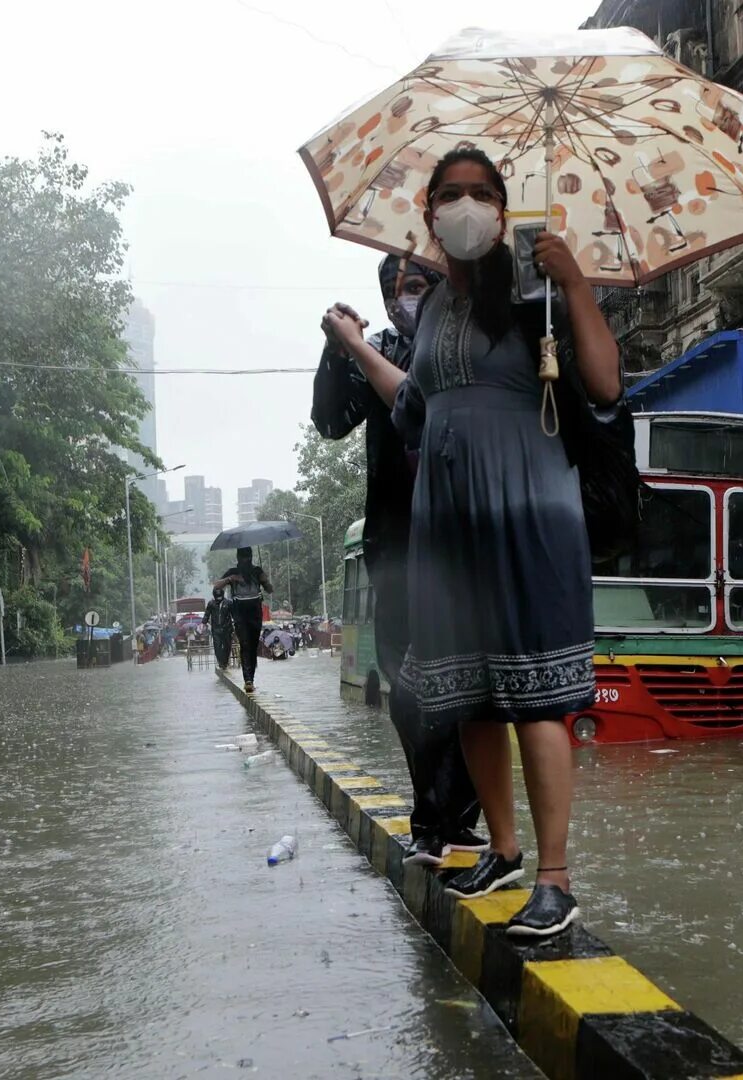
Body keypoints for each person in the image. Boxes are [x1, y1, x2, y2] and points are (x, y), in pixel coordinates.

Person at [321, 147, 622, 939]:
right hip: (447, 518)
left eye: (480, 194)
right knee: (471, 696)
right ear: (429, 216)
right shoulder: (431, 314)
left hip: (528, 507)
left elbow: (604, 384)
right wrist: (359, 348)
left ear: (502, 209)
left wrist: (577, 285)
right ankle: (505, 846)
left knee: (537, 695)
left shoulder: (532, 294)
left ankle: (555, 878)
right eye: (450, 195)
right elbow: (414, 406)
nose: (466, 207)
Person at [314, 252, 485, 868]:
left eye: (415, 286)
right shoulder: (376, 348)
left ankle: (460, 821)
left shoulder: (468, 343)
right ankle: (431, 818)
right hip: (396, 548)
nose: (402, 300)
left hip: (458, 546)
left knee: (464, 689)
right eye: (393, 291)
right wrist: (338, 351)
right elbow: (331, 420)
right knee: (407, 692)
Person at [214, 547, 273, 692]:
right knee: (245, 643)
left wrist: (265, 581)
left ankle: (250, 678)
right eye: (242, 557)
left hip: (255, 612)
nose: (245, 560)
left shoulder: (257, 571)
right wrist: (230, 579)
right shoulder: (233, 572)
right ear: (238, 558)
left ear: (251, 557)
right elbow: (216, 586)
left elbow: (270, 589)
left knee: (252, 646)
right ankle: (248, 679)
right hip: (239, 613)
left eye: (247, 557)